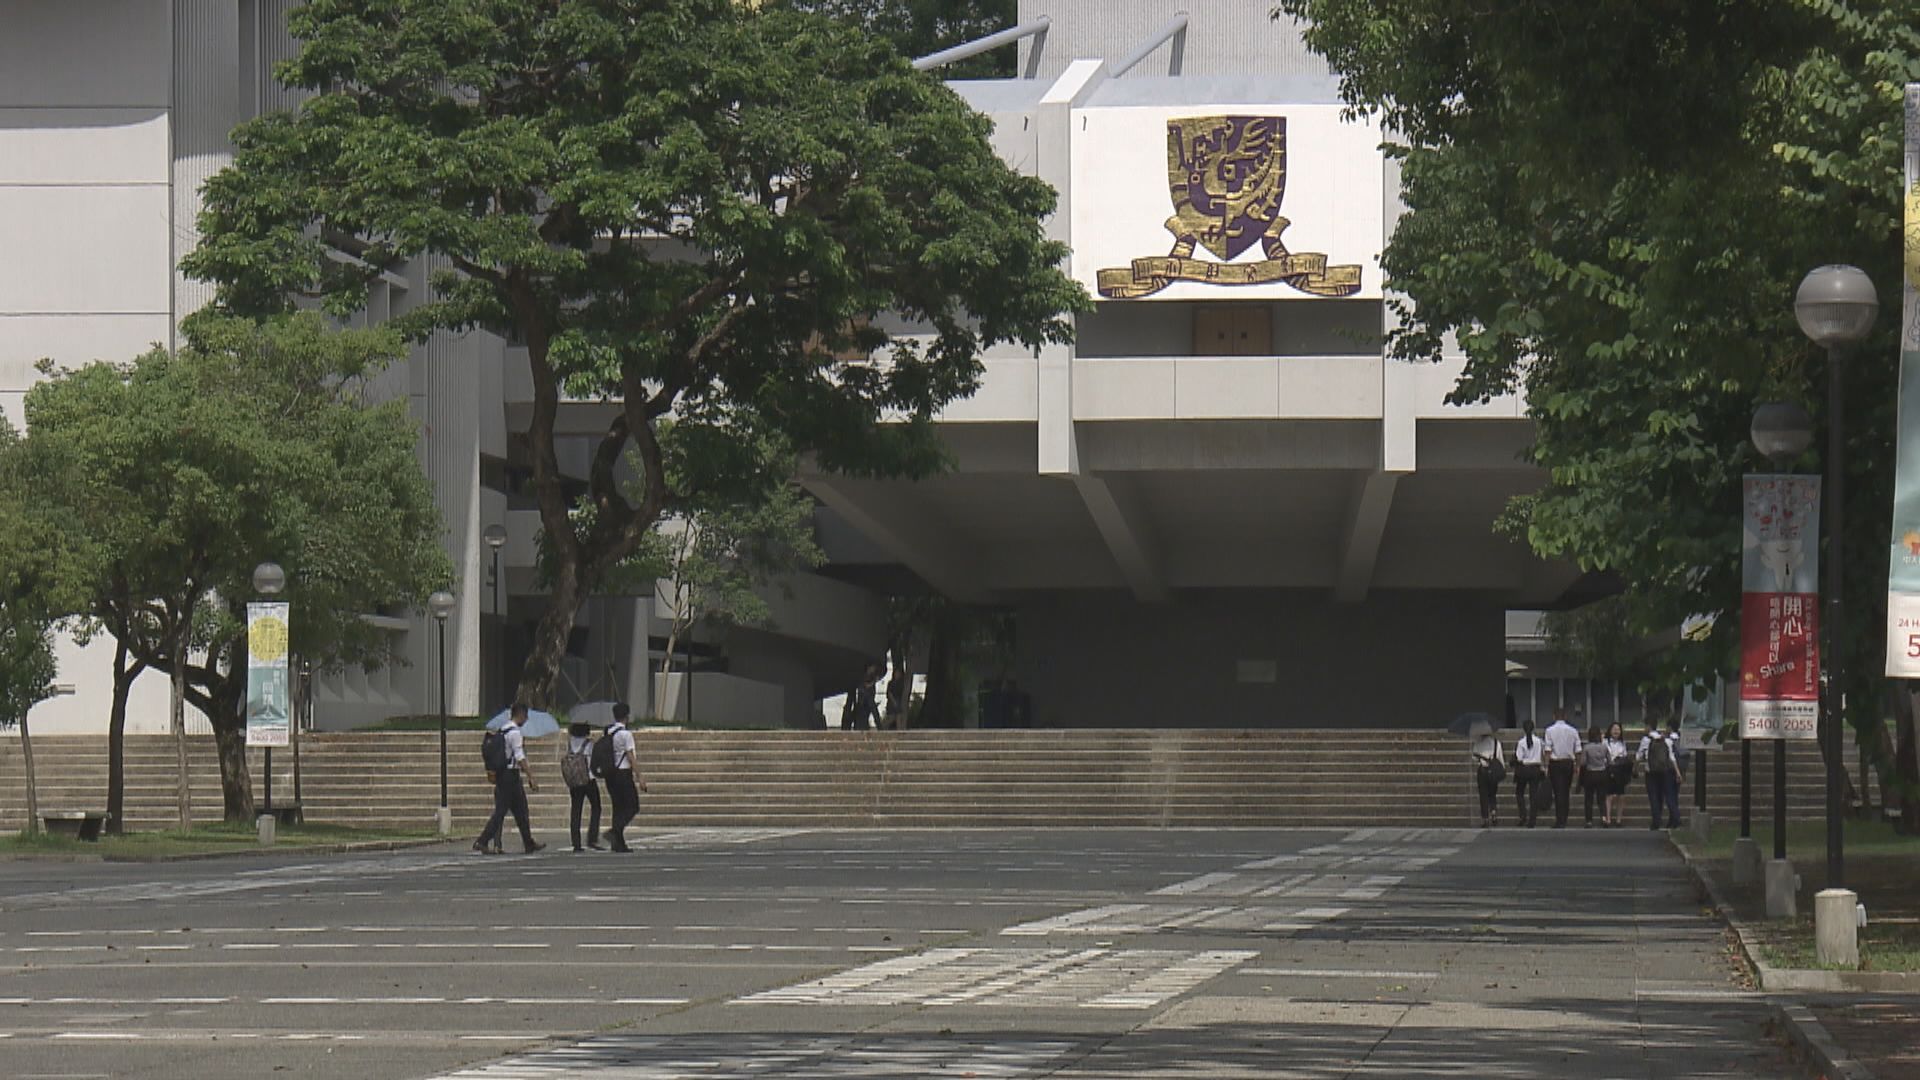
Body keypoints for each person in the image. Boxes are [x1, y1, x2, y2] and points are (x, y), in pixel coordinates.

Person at [474, 703, 545, 855]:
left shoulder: (503, 729)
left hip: (504, 775)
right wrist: (531, 776)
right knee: (501, 811)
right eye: (525, 716)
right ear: (521, 715)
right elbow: (519, 756)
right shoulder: (515, 733)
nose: (526, 720)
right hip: (510, 776)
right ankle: (482, 840)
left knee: (521, 810)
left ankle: (528, 842)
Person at [602, 703, 646, 853]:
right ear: (626, 716)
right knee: (633, 806)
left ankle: (618, 844)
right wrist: (640, 777)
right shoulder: (626, 734)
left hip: (610, 774)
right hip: (623, 774)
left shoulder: (608, 731)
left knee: (618, 808)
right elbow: (631, 756)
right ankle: (615, 831)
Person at [563, 721, 603, 853]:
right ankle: (592, 838)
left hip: (574, 781)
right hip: (588, 779)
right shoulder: (589, 744)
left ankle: (576, 843)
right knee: (596, 807)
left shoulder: (569, 743)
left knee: (576, 810)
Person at [1542, 707, 1582, 829]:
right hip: (1568, 762)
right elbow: (1578, 750)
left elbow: (1548, 750)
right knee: (1565, 790)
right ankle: (1564, 817)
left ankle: (1560, 819)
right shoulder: (1573, 730)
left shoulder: (1549, 730)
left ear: (1554, 716)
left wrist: (1546, 765)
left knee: (1558, 792)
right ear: (1565, 717)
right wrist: (1578, 765)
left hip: (1556, 763)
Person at [1638, 719, 1679, 830]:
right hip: (1664, 771)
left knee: (1653, 796)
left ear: (1648, 726)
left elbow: (1639, 756)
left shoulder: (1646, 739)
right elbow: (1671, 757)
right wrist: (1677, 772)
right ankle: (1674, 819)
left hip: (1650, 771)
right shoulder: (1666, 739)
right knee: (1663, 796)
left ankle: (1656, 821)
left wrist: (1635, 768)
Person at [1470, 724, 1506, 828]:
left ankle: (1485, 818)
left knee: (1483, 795)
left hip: (1482, 771)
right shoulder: (1496, 743)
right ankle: (1493, 812)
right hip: (1493, 772)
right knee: (1492, 794)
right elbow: (1500, 758)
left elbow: (1474, 758)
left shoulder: (1478, 743)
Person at [1512, 718, 1545, 828]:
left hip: (1524, 769)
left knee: (1520, 792)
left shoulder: (1521, 742)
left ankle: (1523, 815)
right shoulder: (1539, 741)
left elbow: (1519, 758)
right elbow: (1543, 754)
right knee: (1533, 795)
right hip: (1535, 768)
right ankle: (1532, 820)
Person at [1577, 722, 1610, 827]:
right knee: (1601, 798)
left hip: (1590, 773)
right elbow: (1609, 761)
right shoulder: (1604, 747)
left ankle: (1589, 820)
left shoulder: (1587, 747)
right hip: (1602, 773)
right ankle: (1604, 817)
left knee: (1589, 798)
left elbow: (1583, 763)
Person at [1603, 721, 1632, 826]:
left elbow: (1625, 755)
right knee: (1609, 795)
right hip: (1609, 769)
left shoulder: (1622, 743)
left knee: (1621, 796)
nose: (1616, 731)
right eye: (1614, 729)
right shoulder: (1605, 742)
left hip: (1620, 770)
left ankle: (1619, 819)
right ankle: (1608, 819)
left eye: (1618, 729)